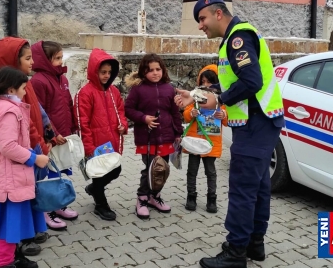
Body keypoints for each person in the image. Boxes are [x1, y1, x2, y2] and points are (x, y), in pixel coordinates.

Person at [174, 0, 285, 268]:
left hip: (255, 124)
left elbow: (251, 81)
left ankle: (236, 252)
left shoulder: (238, 38)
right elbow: (230, 86)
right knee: (257, 188)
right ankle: (253, 245)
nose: (200, 25)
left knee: (242, 190)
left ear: (219, 14)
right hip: (258, 123)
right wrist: (198, 94)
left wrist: (220, 101)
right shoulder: (233, 40)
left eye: (203, 19)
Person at [0, 66, 49, 268]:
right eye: (23, 88)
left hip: (5, 174)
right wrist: (35, 158)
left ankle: (13, 257)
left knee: (11, 221)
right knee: (9, 222)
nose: (25, 92)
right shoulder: (9, 112)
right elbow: (8, 147)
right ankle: (5, 262)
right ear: (11, 90)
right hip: (10, 176)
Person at [0, 36, 51, 257]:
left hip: (32, 147)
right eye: (27, 58)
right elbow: (26, 126)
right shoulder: (8, 102)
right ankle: (22, 240)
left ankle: (32, 229)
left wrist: (49, 128)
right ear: (12, 63)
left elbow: (38, 111)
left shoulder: (25, 85)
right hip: (24, 151)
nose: (32, 62)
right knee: (21, 198)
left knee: (31, 191)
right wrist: (38, 144)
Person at [125, 53, 183, 219]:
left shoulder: (169, 89)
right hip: (147, 137)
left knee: (162, 169)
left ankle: (154, 196)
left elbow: (175, 112)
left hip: (166, 136)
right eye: (150, 70)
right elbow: (128, 109)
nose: (155, 73)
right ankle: (142, 198)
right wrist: (144, 118)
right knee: (150, 169)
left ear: (162, 70)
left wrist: (178, 132)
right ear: (144, 71)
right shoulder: (138, 89)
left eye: (158, 69)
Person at [30, 40, 79, 230]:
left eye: (61, 57)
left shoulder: (63, 79)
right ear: (44, 60)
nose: (60, 62)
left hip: (64, 136)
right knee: (48, 175)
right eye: (56, 58)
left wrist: (73, 127)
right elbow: (39, 113)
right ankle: (46, 211)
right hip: (50, 138)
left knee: (61, 171)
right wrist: (52, 135)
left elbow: (68, 104)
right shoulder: (38, 81)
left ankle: (58, 205)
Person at [74, 48, 127, 221]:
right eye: (102, 72)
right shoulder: (85, 93)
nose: (106, 75)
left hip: (110, 142)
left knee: (115, 169)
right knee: (99, 174)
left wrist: (123, 126)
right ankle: (100, 204)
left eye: (109, 72)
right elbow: (82, 123)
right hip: (96, 144)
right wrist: (88, 147)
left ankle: (94, 189)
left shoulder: (114, 92)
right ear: (93, 71)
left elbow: (121, 112)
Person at [182, 65, 227, 213]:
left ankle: (211, 199)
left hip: (210, 143)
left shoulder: (220, 101)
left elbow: (227, 119)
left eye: (210, 82)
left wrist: (224, 116)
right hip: (195, 142)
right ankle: (191, 196)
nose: (206, 85)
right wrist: (191, 113)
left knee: (211, 172)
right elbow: (186, 116)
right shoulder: (195, 98)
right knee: (192, 171)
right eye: (203, 81)